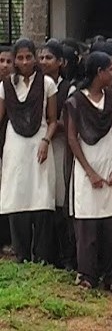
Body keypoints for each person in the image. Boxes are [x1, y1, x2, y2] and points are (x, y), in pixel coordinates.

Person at [66, 51, 112, 294]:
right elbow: (72, 138)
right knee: (87, 224)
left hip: (108, 164)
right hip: (85, 168)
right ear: (98, 72)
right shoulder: (75, 101)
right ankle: (88, 274)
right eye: (109, 70)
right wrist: (89, 172)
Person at [0, 38, 58, 263]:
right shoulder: (6, 85)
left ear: (35, 58)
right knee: (17, 197)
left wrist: (45, 140)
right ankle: (21, 256)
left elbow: (53, 120)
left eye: (28, 57)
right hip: (15, 147)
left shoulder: (47, 84)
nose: (24, 62)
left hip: (39, 145)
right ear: (14, 60)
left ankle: (42, 258)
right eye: (20, 58)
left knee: (40, 199)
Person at [39, 40, 75, 270]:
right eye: (41, 57)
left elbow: (68, 123)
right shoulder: (36, 86)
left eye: (49, 58)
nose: (44, 62)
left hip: (60, 147)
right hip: (41, 148)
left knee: (61, 202)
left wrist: (50, 125)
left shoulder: (69, 88)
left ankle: (67, 258)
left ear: (61, 62)